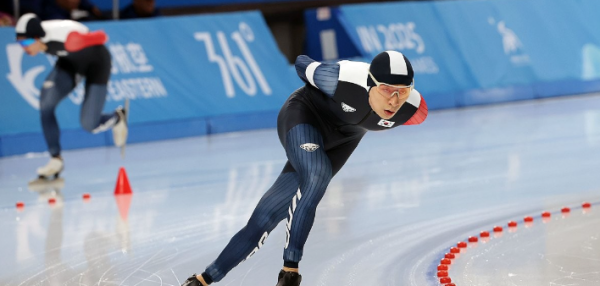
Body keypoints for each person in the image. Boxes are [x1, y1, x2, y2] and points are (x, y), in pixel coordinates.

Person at [181, 50, 428, 286]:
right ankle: (290, 271)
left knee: (267, 214)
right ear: (369, 83)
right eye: (386, 90)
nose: (394, 101)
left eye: (403, 92)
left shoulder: (414, 109)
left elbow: (408, 107)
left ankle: (203, 280)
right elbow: (301, 62)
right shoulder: (340, 79)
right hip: (304, 117)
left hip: (343, 142)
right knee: (317, 174)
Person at [15, 13, 128, 179]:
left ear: (37, 37)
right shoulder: (41, 36)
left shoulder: (65, 36)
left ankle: (118, 118)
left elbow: (101, 37)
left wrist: (85, 38)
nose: (24, 48)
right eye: (20, 43)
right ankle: (55, 159)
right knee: (45, 104)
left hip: (97, 65)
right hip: (69, 64)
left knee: (89, 124)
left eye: (26, 42)